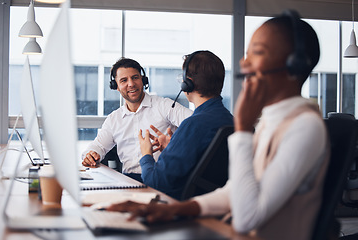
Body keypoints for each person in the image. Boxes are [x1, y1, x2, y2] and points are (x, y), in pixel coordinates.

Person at [107, 10, 329, 240]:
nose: (244, 62)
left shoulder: (304, 126)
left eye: (258, 52)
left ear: (293, 64)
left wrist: (242, 129)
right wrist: (172, 209)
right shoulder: (274, 121)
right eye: (247, 53)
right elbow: (234, 191)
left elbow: (248, 217)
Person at [136, 50, 233, 199]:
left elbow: (156, 182)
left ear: (188, 84)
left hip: (185, 208)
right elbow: (207, 168)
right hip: (220, 204)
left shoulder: (194, 125)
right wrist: (173, 147)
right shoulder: (233, 122)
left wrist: (146, 154)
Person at [81, 58, 192, 182]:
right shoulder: (114, 119)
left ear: (143, 80)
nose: (131, 84)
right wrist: (91, 154)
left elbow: (196, 124)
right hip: (128, 181)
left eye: (135, 78)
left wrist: (176, 144)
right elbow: (98, 146)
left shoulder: (164, 106)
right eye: (124, 80)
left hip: (162, 178)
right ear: (116, 86)